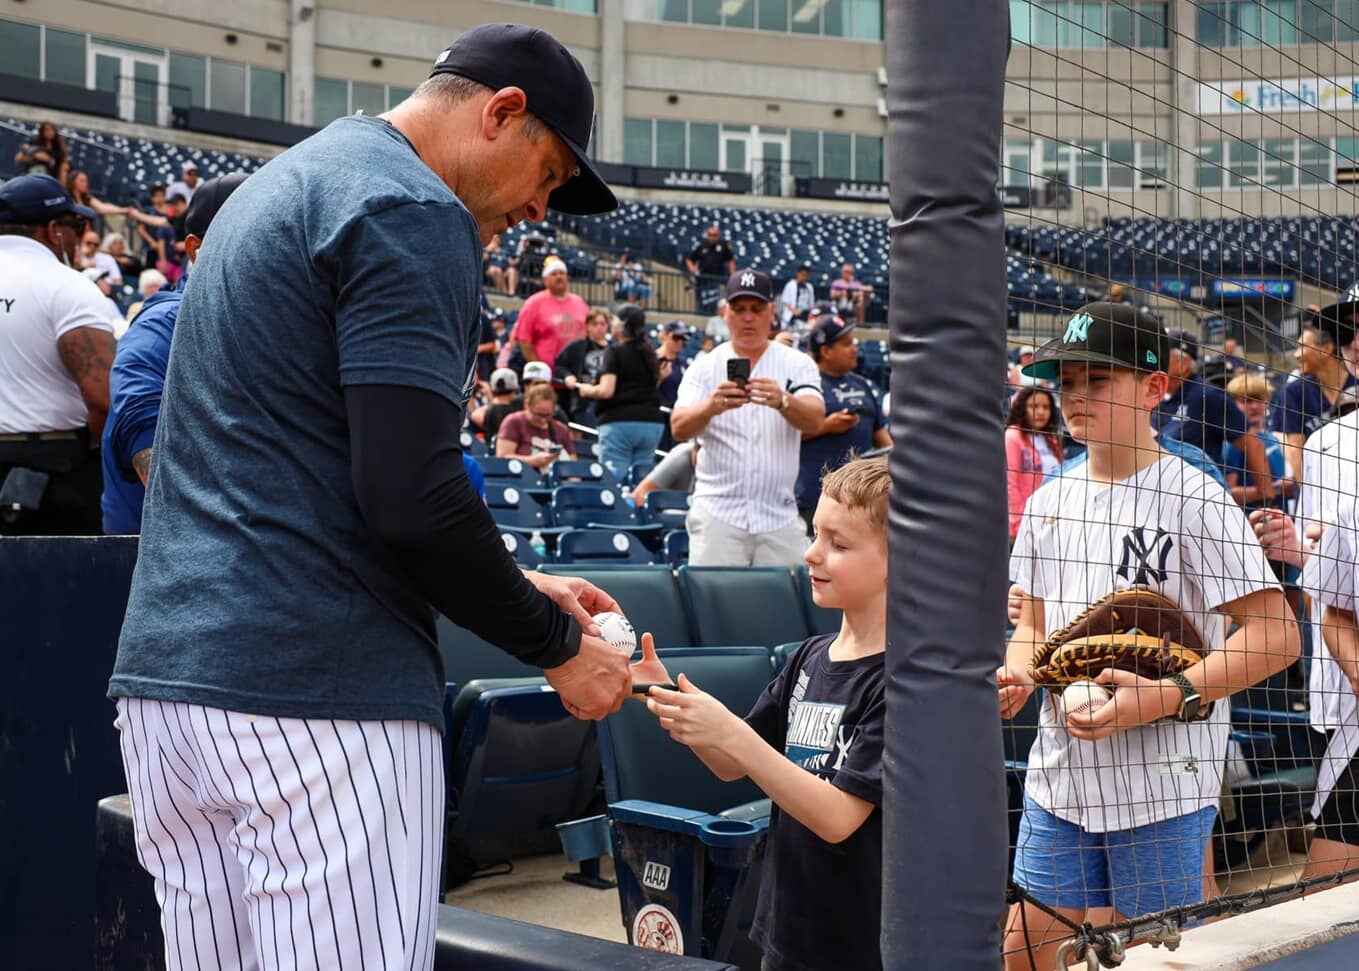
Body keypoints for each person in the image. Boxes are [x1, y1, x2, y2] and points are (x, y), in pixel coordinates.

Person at [106, 26, 661, 971]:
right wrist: (560, 648)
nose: (541, 204)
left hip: (173, 692)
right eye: (550, 170)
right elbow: (410, 498)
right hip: (317, 701)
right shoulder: (408, 204)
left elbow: (305, 476)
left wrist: (520, 583)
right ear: (502, 111)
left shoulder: (291, 178)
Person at [998, 302, 1300, 970]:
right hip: (1061, 775)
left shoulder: (1194, 496)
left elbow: (1276, 637)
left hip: (1164, 779)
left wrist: (1164, 695)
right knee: (1023, 950)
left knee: (1150, 958)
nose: (1075, 396)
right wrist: (1017, 673)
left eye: (1096, 380)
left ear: (1153, 387)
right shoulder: (1049, 497)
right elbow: (1032, 627)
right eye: (1066, 381)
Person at [643, 455, 890, 971]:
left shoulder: (902, 681)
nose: (812, 555)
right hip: (788, 924)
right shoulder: (808, 656)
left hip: (861, 940)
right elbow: (731, 764)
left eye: (838, 544)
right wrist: (665, 695)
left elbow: (839, 817)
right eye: (815, 535)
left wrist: (733, 735)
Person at [101, 174, 247, 535]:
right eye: (249, 235)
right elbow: (139, 419)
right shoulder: (165, 321)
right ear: (196, 249)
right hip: (154, 559)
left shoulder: (258, 317)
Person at [671, 268, 826, 566]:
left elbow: (815, 419)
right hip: (718, 514)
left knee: (786, 609)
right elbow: (678, 428)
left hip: (779, 515)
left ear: (771, 312)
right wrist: (710, 406)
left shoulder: (797, 364)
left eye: (756, 309)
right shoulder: (704, 366)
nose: (748, 318)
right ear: (726, 313)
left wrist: (784, 401)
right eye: (739, 309)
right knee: (714, 608)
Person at [0, 174, 114, 536]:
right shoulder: (65, 285)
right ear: (52, 230)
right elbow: (104, 397)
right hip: (53, 470)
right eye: (76, 227)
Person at [1153, 327, 1274, 499]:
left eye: (1164, 353)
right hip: (1164, 494)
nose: (1157, 358)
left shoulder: (1207, 396)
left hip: (1197, 495)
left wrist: (1265, 495)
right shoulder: (1159, 396)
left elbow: (1252, 444)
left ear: (1184, 362)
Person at [797, 315, 889, 532]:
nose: (854, 349)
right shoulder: (806, 385)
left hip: (860, 499)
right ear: (826, 351)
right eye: (846, 344)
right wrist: (827, 426)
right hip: (815, 498)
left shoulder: (862, 384)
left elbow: (880, 434)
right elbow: (787, 433)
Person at [573, 304, 666, 481]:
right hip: (651, 423)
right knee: (641, 480)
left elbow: (607, 391)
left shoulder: (615, 351)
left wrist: (585, 389)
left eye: (614, 320)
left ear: (622, 325)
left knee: (614, 480)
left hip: (620, 422)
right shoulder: (648, 353)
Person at [1269, 309, 1358, 484]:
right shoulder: (1294, 392)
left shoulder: (1356, 378)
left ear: (1326, 349)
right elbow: (1295, 451)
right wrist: (1310, 494)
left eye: (1302, 346)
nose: (1296, 354)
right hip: (1322, 483)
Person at [1004, 387, 1063, 542]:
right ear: (1022, 408)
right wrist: (1017, 523)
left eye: (1046, 407)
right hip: (1024, 524)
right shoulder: (1013, 436)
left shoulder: (1052, 440)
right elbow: (1010, 483)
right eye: (1034, 406)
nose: (1041, 412)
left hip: (1051, 521)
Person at [1222, 373, 1290, 509]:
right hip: (1250, 522)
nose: (1254, 406)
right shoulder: (1234, 443)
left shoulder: (1274, 438)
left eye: (1258, 400)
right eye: (1246, 401)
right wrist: (1275, 489)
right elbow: (1227, 493)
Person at [513, 255, 589, 370]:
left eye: (562, 273)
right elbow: (524, 341)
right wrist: (539, 371)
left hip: (577, 376)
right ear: (545, 280)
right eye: (553, 274)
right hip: (547, 377)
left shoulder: (580, 302)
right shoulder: (533, 303)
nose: (559, 276)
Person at [496, 382, 577, 469]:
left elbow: (572, 463)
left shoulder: (561, 429)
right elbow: (502, 457)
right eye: (538, 414)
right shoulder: (513, 422)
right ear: (527, 405)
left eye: (547, 415)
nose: (543, 420)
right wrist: (531, 461)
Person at [554, 307, 611, 425]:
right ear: (588, 326)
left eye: (602, 324)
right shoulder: (577, 346)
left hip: (606, 402)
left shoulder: (614, 349)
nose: (599, 327)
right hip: (583, 401)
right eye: (595, 324)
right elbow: (559, 366)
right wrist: (568, 376)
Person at [686, 224, 735, 314]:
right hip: (703, 278)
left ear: (718, 235)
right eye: (710, 235)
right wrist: (692, 269)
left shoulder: (723, 245)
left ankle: (716, 314)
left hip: (718, 278)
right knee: (702, 298)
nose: (712, 237)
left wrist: (732, 274)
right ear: (707, 235)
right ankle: (700, 312)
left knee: (718, 300)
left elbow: (730, 260)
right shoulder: (701, 245)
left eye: (715, 235)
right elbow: (689, 259)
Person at [471, 367, 523, 440]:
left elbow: (474, 415)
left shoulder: (486, 411)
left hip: (493, 448)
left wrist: (490, 396)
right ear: (515, 387)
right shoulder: (523, 404)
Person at [82, 268, 127, 334]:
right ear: (93, 285)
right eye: (102, 280)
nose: (107, 282)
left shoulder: (108, 300)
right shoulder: (93, 305)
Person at [779, 264, 815, 331]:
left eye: (806, 275)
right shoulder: (790, 285)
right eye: (802, 274)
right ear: (798, 274)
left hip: (804, 315)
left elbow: (811, 304)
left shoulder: (809, 287)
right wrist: (794, 310)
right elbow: (785, 300)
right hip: (792, 315)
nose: (804, 277)